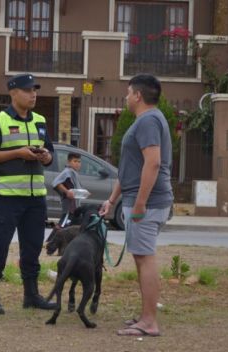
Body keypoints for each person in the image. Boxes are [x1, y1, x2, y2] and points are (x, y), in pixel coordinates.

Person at [99, 74, 173, 337]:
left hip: (148, 203)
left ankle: (150, 322)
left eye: (128, 93)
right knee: (141, 257)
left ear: (138, 95)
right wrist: (111, 200)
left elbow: (152, 163)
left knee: (145, 257)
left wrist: (140, 203)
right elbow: (129, 168)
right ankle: (145, 316)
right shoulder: (146, 121)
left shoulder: (149, 121)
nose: (126, 97)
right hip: (138, 200)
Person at [0, 73, 57, 314]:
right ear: (13, 93)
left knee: (32, 247)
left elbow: (51, 155)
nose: (33, 94)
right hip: (7, 197)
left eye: (35, 90)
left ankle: (31, 295)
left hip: (35, 199)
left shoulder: (40, 121)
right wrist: (17, 153)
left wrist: (46, 157)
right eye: (27, 90)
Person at [52, 152, 82, 227]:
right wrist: (67, 191)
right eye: (75, 161)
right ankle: (53, 239)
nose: (77, 163)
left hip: (75, 208)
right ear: (68, 162)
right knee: (62, 227)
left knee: (75, 229)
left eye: (79, 162)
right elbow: (56, 183)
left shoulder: (74, 173)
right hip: (69, 208)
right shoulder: (67, 172)